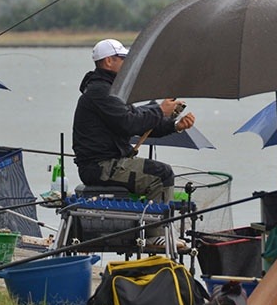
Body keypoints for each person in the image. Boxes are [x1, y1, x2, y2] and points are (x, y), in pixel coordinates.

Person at [72, 38, 196, 202]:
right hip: (101, 167)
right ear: (109, 61)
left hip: (107, 164)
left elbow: (137, 118)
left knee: (159, 172)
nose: (127, 65)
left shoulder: (110, 89)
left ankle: (148, 222)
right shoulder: (100, 91)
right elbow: (130, 123)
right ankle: (159, 226)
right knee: (161, 175)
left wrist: (175, 125)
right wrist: (160, 110)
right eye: (123, 59)